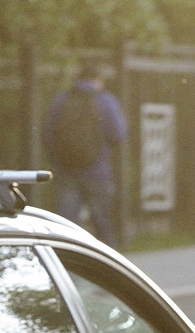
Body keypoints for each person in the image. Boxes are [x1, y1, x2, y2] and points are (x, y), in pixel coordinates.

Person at [43, 61, 127, 248]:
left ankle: (66, 261)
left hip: (65, 169)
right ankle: (108, 264)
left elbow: (48, 134)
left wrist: (57, 158)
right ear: (98, 79)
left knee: (66, 222)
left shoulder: (61, 99)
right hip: (98, 170)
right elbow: (119, 134)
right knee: (102, 221)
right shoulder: (106, 100)